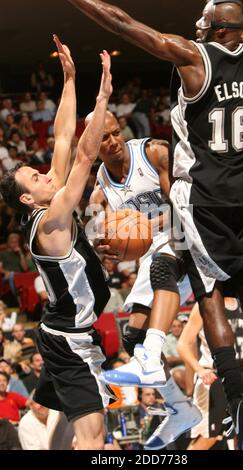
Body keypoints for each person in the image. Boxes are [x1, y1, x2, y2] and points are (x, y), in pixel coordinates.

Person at [66, 0, 243, 449]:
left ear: (220, 31)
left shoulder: (193, 62)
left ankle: (236, 399)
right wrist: (113, 240)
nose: (196, 27)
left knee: (210, 296)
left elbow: (125, 24)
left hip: (200, 201)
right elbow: (99, 226)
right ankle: (179, 398)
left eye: (204, 23)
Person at [0, 39, 112, 450]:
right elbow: (84, 156)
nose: (46, 175)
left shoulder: (50, 202)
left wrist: (69, 79)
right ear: (28, 198)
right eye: (36, 178)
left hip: (60, 329)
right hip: (71, 339)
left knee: (65, 420)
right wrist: (101, 100)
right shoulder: (51, 220)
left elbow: (64, 138)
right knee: (94, 436)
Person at [88, 111, 201, 448]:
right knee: (131, 336)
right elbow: (93, 218)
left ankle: (153, 359)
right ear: (93, 149)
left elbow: (180, 206)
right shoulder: (103, 182)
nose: (113, 141)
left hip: (184, 238)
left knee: (160, 268)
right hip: (154, 252)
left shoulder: (152, 152)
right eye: (104, 139)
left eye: (114, 132)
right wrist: (101, 241)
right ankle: (180, 407)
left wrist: (141, 228)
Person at [177, 299, 243, 450]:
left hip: (239, 374)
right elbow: (182, 344)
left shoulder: (239, 303)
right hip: (214, 376)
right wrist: (199, 370)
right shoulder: (204, 304)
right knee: (210, 437)